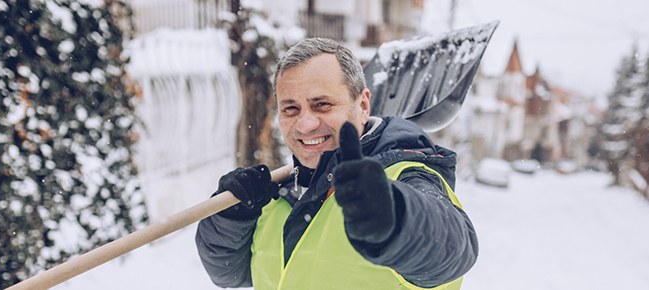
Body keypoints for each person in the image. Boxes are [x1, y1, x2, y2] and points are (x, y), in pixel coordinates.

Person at [195, 38, 478, 289]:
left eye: (322, 105)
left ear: (363, 106)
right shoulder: (281, 191)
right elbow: (230, 276)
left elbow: (453, 251)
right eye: (291, 108)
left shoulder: (402, 178)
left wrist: (397, 220)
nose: (305, 124)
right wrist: (231, 219)